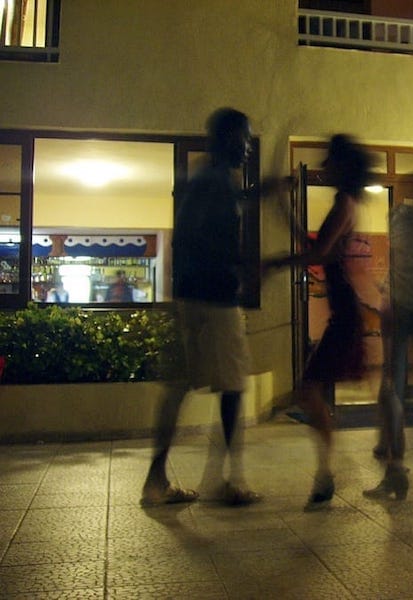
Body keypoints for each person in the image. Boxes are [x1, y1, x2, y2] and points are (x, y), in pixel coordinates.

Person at [141, 107, 260, 506]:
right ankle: (228, 480)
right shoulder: (219, 186)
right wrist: (250, 266)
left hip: (191, 297)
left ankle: (156, 478)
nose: (248, 146)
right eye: (244, 138)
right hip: (216, 300)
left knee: (178, 389)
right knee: (233, 385)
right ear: (228, 138)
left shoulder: (203, 182)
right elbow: (217, 245)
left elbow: (185, 240)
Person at [263, 134, 373, 509]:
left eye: (331, 161)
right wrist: (284, 208)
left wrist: (278, 262)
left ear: (344, 166)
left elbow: (320, 252)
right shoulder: (346, 202)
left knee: (310, 391)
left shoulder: (345, 202)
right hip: (343, 313)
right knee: (310, 391)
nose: (326, 167)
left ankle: (328, 471)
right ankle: (328, 469)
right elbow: (315, 249)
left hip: (345, 314)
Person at [363, 172, 413, 500]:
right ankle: (390, 449)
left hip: (403, 310)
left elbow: (398, 262)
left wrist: (386, 293)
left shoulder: (402, 220)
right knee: (393, 387)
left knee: (391, 386)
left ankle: (395, 466)